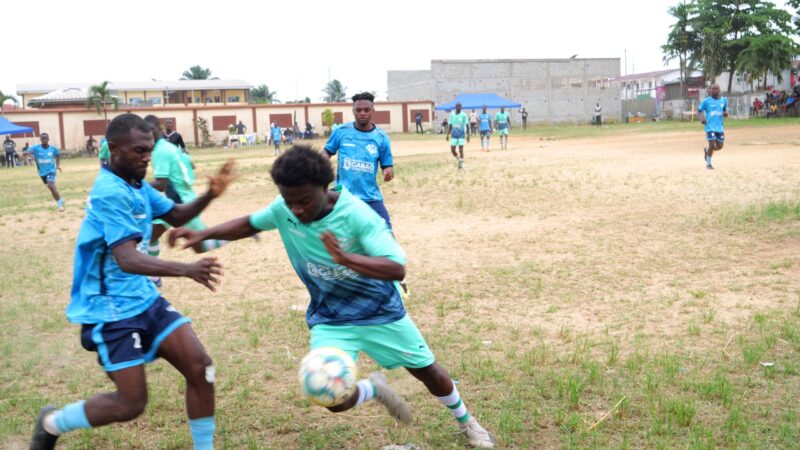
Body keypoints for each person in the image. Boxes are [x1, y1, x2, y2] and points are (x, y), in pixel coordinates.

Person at [168, 146, 496, 449]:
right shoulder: (285, 208)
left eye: (304, 201)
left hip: (380, 313)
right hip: (331, 318)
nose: (295, 210)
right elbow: (249, 224)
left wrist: (346, 259)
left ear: (325, 188)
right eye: (288, 200)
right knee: (330, 396)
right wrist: (203, 233)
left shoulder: (358, 215)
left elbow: (396, 268)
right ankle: (374, 388)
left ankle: (468, 423)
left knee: (428, 371)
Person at [28, 113, 234, 450]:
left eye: (149, 150)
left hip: (143, 296)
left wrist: (210, 194)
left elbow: (176, 214)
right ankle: (52, 423)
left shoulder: (136, 186)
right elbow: (127, 258)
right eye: (139, 151)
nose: (146, 157)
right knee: (131, 404)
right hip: (110, 308)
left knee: (201, 368)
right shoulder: (110, 191)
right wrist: (186, 270)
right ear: (114, 149)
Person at [143, 115, 228, 287]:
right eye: (146, 133)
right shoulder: (166, 146)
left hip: (180, 201)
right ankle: (153, 278)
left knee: (199, 246)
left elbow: (161, 183)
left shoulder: (160, 150)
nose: (149, 136)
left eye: (151, 131)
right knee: (150, 233)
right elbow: (187, 160)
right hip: (175, 199)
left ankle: (236, 233)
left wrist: (135, 186)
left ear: (157, 129)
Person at [29, 133, 64, 211]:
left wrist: (57, 165)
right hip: (42, 172)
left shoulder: (53, 148)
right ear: (40, 140)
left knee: (51, 185)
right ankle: (60, 199)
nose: (44, 140)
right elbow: (28, 151)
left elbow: (57, 156)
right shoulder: (36, 148)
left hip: (51, 170)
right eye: (42, 138)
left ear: (48, 139)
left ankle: (60, 205)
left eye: (45, 138)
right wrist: (28, 154)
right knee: (51, 188)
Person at [698, 84, 728, 170]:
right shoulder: (706, 101)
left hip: (719, 127)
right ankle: (708, 164)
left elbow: (725, 110)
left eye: (716, 89)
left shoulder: (724, 100)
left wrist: (725, 113)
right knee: (712, 144)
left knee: (720, 146)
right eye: (712, 89)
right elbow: (699, 111)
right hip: (709, 127)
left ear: (719, 90)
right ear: (710, 90)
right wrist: (702, 118)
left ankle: (707, 150)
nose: (714, 90)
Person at [447, 103, 469, 170]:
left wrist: (468, 135)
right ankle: (459, 159)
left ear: (461, 107)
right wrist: (447, 134)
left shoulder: (464, 115)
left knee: (460, 149)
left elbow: (467, 126)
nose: (458, 107)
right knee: (452, 150)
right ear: (455, 107)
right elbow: (450, 125)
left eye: (459, 106)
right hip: (454, 135)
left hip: (461, 135)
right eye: (457, 106)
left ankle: (460, 165)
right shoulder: (452, 115)